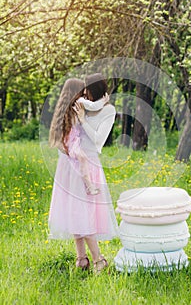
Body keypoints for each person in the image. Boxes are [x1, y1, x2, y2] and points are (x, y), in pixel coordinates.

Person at [48, 74, 118, 273]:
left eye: (87, 90)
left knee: (77, 211)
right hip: (76, 166)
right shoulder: (79, 108)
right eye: (82, 91)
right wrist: (99, 102)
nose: (85, 95)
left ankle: (82, 259)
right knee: (80, 212)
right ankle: (97, 260)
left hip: (71, 166)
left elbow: (95, 141)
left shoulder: (75, 109)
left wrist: (101, 104)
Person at [49, 78, 109, 195]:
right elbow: (93, 106)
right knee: (83, 158)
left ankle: (89, 186)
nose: (85, 92)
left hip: (71, 141)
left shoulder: (66, 107)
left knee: (82, 159)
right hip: (72, 142)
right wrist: (103, 101)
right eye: (83, 90)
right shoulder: (79, 102)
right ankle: (89, 186)